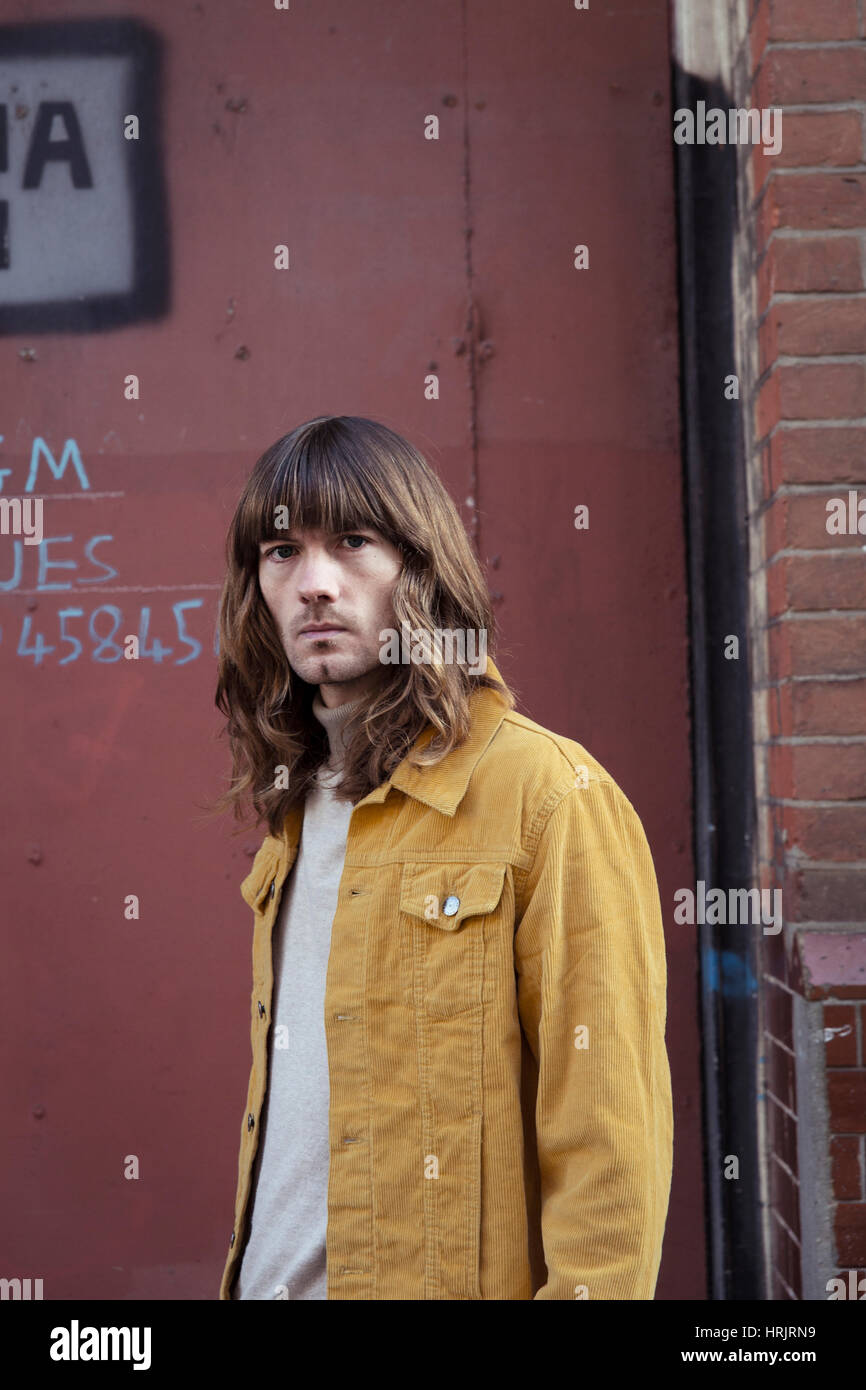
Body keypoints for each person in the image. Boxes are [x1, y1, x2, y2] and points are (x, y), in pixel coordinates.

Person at [214, 414, 673, 1300]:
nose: (314, 583)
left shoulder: (547, 795)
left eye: (352, 542)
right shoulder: (297, 803)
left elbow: (609, 1143)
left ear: (418, 570)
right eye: (281, 551)